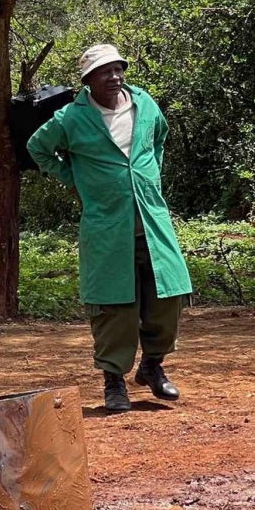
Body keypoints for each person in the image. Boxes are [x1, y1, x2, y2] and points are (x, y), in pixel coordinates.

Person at [27, 44, 194, 413]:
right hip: (106, 229)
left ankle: (152, 366)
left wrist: (147, 174)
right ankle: (113, 381)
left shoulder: (144, 104)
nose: (115, 76)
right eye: (106, 71)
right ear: (88, 80)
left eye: (118, 69)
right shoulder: (72, 117)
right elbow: (37, 148)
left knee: (168, 297)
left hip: (152, 222)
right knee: (114, 308)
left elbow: (159, 139)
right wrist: (74, 177)